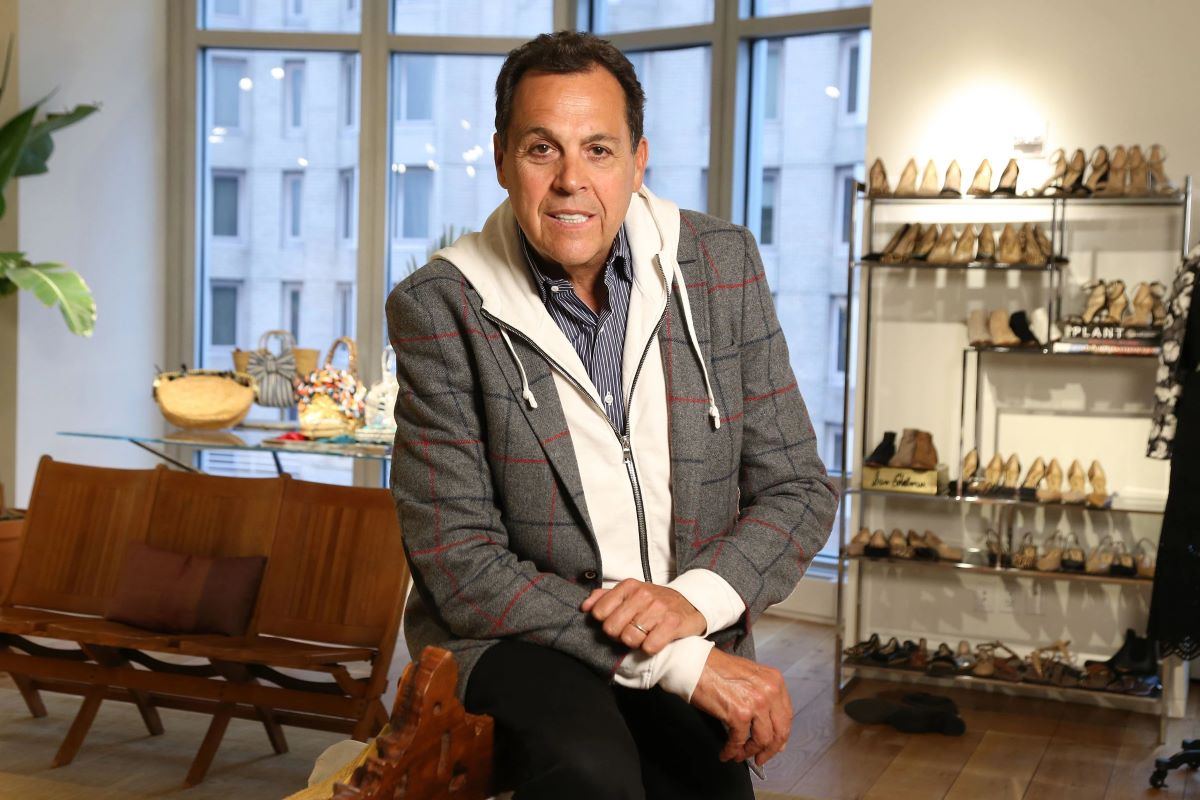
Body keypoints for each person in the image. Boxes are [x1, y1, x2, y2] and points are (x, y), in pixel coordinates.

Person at [387, 30, 838, 799]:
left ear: (638, 159)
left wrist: (691, 604)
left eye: (598, 149)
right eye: (542, 149)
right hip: (518, 637)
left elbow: (797, 489)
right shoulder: (440, 307)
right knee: (593, 773)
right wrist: (678, 661)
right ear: (501, 160)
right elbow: (460, 564)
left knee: (702, 782)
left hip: (685, 618)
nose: (571, 180)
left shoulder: (720, 265)